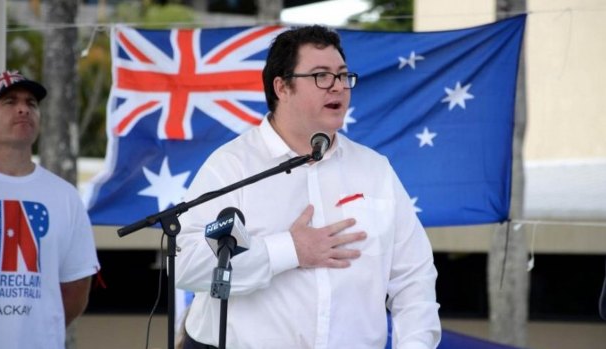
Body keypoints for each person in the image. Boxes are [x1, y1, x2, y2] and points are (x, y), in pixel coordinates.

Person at [175, 26, 441, 349]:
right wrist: (289, 250)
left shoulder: (375, 170)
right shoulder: (233, 167)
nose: (338, 87)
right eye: (321, 76)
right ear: (282, 87)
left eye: (343, 76)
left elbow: (415, 279)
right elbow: (185, 264)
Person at [0, 70, 100, 349]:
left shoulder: (65, 196)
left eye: (32, 103)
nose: (23, 108)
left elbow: (76, 288)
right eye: (10, 101)